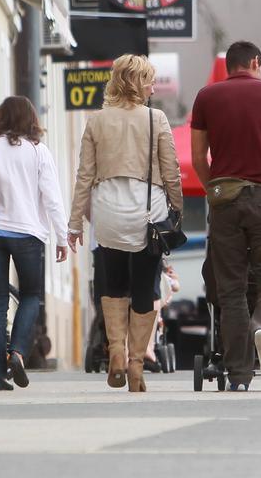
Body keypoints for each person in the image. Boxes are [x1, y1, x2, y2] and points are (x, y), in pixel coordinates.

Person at [68, 54, 183, 392]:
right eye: (149, 79)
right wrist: (176, 208)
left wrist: (75, 223)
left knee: (113, 284)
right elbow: (171, 170)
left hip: (106, 214)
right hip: (146, 215)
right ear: (137, 83)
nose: (152, 86)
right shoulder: (156, 119)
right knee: (144, 288)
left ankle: (115, 351)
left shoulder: (96, 120)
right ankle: (135, 365)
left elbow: (84, 177)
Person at [190, 41, 261, 391]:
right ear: (254, 62)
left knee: (231, 289)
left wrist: (213, 190)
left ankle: (238, 375)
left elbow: (197, 157)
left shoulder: (206, 97)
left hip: (225, 200)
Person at [0, 96, 68, 391]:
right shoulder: (38, 151)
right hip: (28, 235)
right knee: (30, 296)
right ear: (31, 119)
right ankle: (16, 351)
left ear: (1, 118)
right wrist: (62, 237)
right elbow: (52, 199)